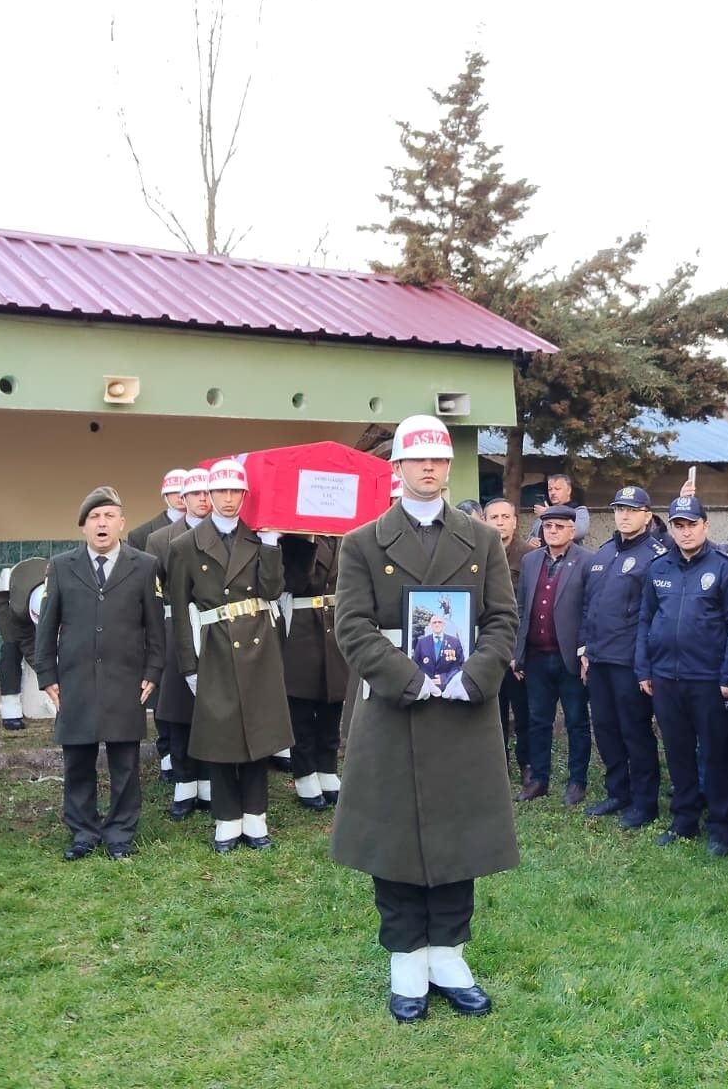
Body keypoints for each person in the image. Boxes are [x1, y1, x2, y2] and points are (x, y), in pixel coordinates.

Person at [330, 414, 519, 1023]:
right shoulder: (361, 543)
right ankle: (406, 962)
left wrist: (476, 675)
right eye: (418, 459)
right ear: (399, 467)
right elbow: (352, 627)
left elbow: (501, 620)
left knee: (459, 833)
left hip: (464, 708)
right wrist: (408, 679)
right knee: (395, 837)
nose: (430, 468)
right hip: (395, 709)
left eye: (438, 459)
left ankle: (449, 955)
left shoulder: (482, 539)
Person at [167, 458, 292, 853]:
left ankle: (255, 818)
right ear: (207, 495)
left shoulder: (257, 538)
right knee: (220, 736)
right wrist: (189, 664)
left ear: (244, 495)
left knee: (258, 733)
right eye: (221, 491)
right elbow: (179, 609)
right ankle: (226, 819)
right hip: (215, 647)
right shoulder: (184, 546)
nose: (228, 499)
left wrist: (272, 545)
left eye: (236, 491)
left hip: (258, 645)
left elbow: (271, 592)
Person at [35, 487, 164, 860]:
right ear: (83, 527)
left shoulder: (144, 566)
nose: (102, 523)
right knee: (77, 759)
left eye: (109, 516)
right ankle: (83, 831)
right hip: (74, 680)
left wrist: (153, 670)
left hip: (126, 681)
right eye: (94, 517)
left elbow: (156, 627)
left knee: (125, 760)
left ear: (122, 523)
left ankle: (121, 833)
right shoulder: (61, 566)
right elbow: (47, 625)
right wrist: (47, 674)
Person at [637, 495, 728, 855]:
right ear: (670, 528)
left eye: (692, 525)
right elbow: (645, 621)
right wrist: (644, 668)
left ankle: (719, 825)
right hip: (666, 677)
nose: (685, 532)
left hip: (708, 679)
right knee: (678, 751)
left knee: (715, 753)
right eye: (678, 526)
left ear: (706, 525)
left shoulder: (725, 567)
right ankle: (684, 820)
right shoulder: (658, 568)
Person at [580, 485, 667, 828]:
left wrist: (646, 663)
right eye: (619, 509)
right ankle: (619, 791)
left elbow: (656, 614)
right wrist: (585, 649)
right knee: (605, 729)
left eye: (632, 510)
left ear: (647, 515)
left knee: (635, 731)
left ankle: (645, 803)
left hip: (630, 661)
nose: (624, 516)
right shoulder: (602, 554)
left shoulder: (656, 556)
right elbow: (589, 607)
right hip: (599, 658)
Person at [513, 504, 590, 805]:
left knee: (576, 721)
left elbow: (589, 611)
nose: (553, 531)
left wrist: (586, 653)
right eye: (548, 527)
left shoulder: (587, 561)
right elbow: (521, 608)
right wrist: (517, 653)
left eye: (560, 526)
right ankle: (539, 779)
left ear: (572, 530)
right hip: (535, 657)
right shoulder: (531, 561)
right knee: (537, 720)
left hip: (569, 657)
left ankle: (577, 781)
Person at [146, 465, 212, 819]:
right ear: (182, 499)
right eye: (195, 494)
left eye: (207, 493)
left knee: (214, 708)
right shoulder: (160, 540)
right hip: (177, 629)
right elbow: (154, 593)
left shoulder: (225, 534)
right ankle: (185, 784)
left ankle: (211, 782)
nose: (203, 500)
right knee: (180, 711)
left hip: (217, 629)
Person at [280, 532, 349, 810]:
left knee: (334, 701)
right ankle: (306, 774)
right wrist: (307, 542)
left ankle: (327, 768)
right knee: (302, 707)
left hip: (336, 625)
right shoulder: (294, 537)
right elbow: (294, 582)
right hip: (302, 626)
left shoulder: (348, 537)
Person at [484, 498, 530, 782]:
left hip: (518, 650)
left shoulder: (529, 556)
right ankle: (497, 767)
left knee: (524, 712)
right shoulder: (478, 554)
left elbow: (530, 606)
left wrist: (519, 652)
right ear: (485, 521)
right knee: (492, 713)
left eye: (505, 517)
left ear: (515, 520)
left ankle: (528, 765)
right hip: (488, 648)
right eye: (494, 517)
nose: (500, 522)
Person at [0, 558, 46, 731]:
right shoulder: (18, 609)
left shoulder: (63, 595)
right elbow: (27, 642)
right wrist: (47, 673)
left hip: (34, 581)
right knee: (12, 647)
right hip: (5, 595)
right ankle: (10, 707)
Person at [127, 468, 192, 550]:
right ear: (165, 495)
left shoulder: (204, 526)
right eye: (174, 491)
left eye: (184, 491)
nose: (179, 496)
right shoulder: (140, 535)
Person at [526, 473, 590, 546]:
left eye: (557, 489)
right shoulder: (545, 510)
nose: (553, 493)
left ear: (568, 490)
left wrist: (549, 514)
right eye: (550, 489)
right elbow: (532, 535)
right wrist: (530, 541)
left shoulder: (579, 511)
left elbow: (578, 532)